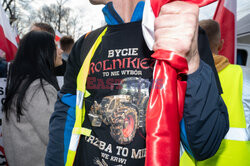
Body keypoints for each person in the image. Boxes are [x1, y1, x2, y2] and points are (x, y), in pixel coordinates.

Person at [46, 1, 229, 166]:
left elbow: (205, 145)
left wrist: (191, 60)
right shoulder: (86, 43)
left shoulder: (181, 35)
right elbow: (65, 118)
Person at [181, 19, 250, 166]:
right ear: (220, 44)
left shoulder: (179, 77)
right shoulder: (244, 76)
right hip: (236, 160)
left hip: (188, 161)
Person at [2, 31, 62, 166]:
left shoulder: (23, 84)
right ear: (42, 51)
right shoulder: (39, 89)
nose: (60, 50)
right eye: (55, 47)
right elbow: (55, 136)